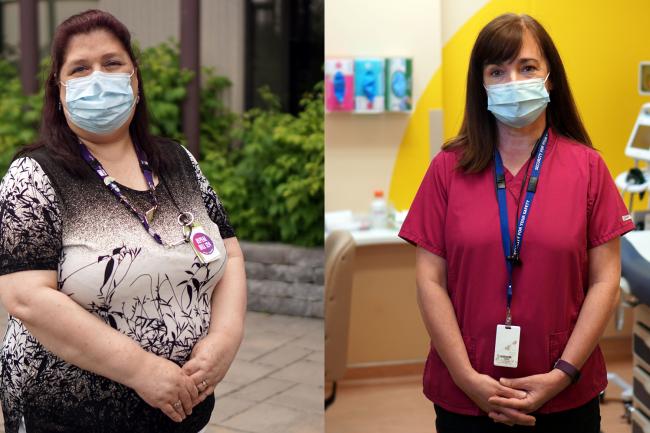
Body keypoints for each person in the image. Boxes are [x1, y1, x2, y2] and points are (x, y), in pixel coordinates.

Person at [0, 9, 246, 433]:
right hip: (67, 415)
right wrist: (142, 370)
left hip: (180, 413)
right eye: (80, 68)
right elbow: (25, 298)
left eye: (112, 64)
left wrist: (224, 339)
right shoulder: (34, 176)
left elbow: (231, 253)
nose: (98, 78)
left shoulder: (177, 163)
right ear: (59, 91)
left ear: (135, 82)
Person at [399, 13, 634, 433]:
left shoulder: (588, 168)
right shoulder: (447, 169)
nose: (512, 81)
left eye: (527, 67)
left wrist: (562, 374)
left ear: (550, 78)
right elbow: (429, 281)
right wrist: (468, 379)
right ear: (482, 85)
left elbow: (605, 281)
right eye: (497, 71)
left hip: (566, 394)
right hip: (465, 394)